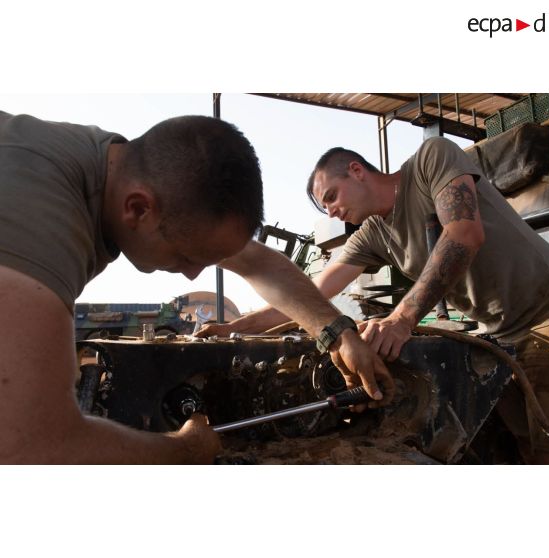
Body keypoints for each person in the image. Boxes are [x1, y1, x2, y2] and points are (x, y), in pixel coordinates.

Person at [0, 112, 394, 464]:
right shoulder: (36, 210)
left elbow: (257, 262)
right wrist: (184, 450)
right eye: (188, 255)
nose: (192, 276)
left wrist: (339, 334)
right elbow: (28, 446)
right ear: (137, 208)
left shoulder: (129, 174)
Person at [198, 138, 549, 463]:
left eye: (331, 197)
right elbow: (307, 296)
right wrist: (232, 328)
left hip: (547, 317)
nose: (331, 213)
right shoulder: (373, 235)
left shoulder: (431, 159)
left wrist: (401, 319)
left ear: (356, 171)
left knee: (548, 448)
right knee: (520, 445)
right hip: (501, 337)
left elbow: (463, 233)